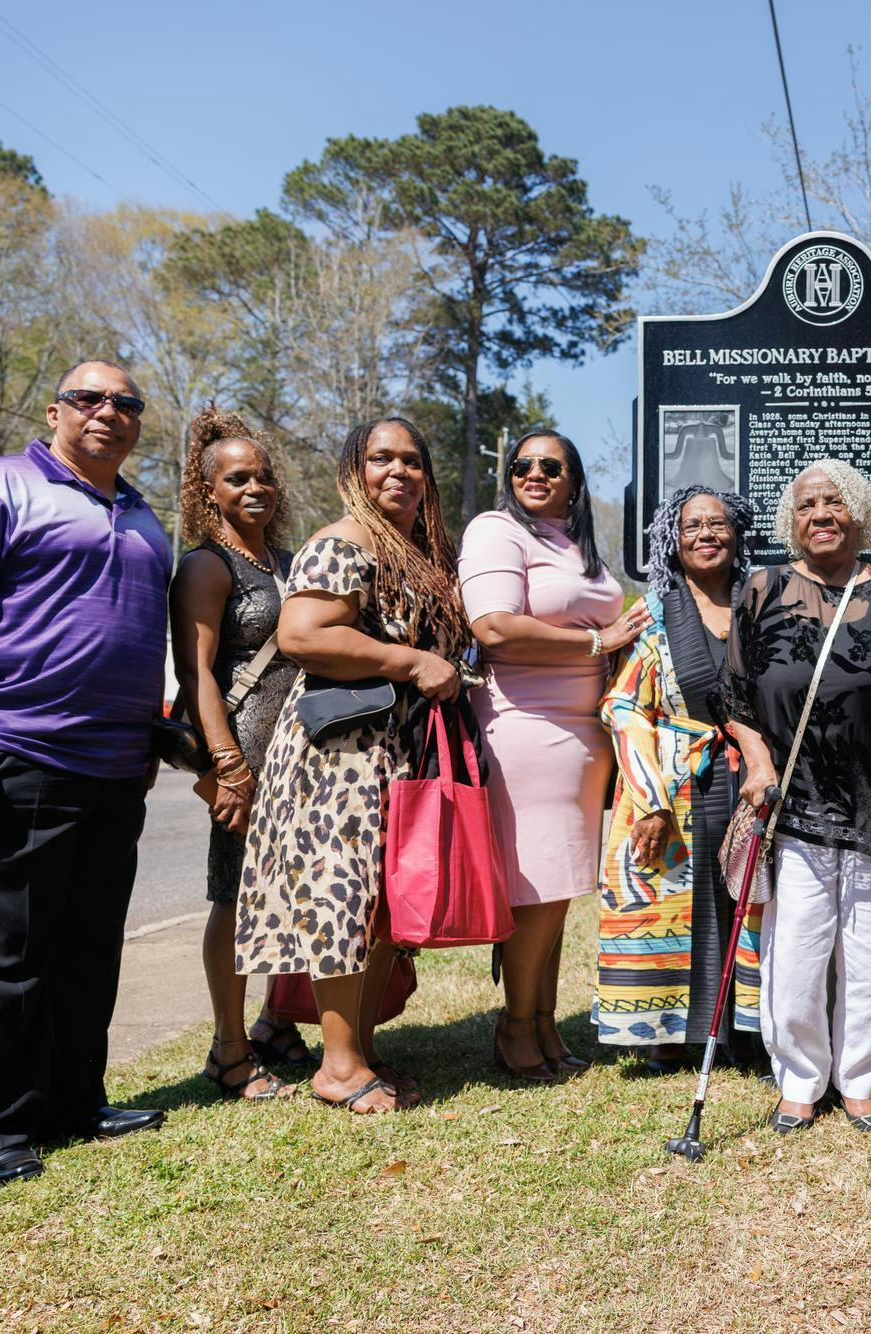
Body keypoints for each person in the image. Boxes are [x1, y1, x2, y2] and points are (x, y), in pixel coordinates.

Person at [0, 360, 170, 1183]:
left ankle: (71, 1101)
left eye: (125, 403)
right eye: (89, 398)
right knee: (2, 954)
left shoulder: (144, 515)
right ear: (54, 409)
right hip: (11, 755)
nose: (107, 413)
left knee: (86, 948)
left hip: (114, 769)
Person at [237, 415, 471, 1114]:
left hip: (389, 749)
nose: (397, 472)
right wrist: (412, 660)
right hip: (339, 753)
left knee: (374, 908)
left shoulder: (411, 548)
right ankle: (337, 1066)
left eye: (411, 460)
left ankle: (357, 1051)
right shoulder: (344, 543)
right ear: (354, 469)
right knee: (341, 899)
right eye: (380, 459)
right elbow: (302, 633)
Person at [723, 459, 871, 1134]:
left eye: (832, 503)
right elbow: (735, 696)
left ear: (858, 512)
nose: (819, 514)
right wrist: (758, 759)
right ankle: (797, 1080)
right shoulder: (762, 588)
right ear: (792, 522)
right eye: (806, 506)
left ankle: (861, 1080)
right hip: (794, 801)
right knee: (794, 948)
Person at [460, 430, 648, 1083]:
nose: (535, 474)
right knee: (534, 887)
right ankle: (515, 1027)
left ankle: (544, 1022)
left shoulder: (572, 545)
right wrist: (599, 641)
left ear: (572, 481)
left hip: (582, 736)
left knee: (560, 888)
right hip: (526, 726)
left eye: (551, 466)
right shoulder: (495, 531)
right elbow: (492, 626)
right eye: (523, 465)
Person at [593, 486, 760, 1070]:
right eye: (693, 527)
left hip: (753, 774)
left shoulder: (764, 601)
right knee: (678, 899)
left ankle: (747, 1030)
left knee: (745, 898)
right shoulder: (654, 612)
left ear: (737, 532)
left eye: (718, 524)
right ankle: (668, 1029)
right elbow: (623, 704)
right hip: (674, 780)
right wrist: (651, 800)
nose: (707, 535)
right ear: (674, 538)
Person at [169, 405, 303, 1100]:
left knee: (297, 891)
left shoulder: (286, 560)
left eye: (264, 477)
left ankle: (277, 1023)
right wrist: (227, 766)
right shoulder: (206, 565)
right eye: (238, 478)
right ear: (209, 490)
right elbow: (196, 674)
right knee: (237, 893)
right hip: (244, 751)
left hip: (303, 752)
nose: (255, 488)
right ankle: (228, 1049)